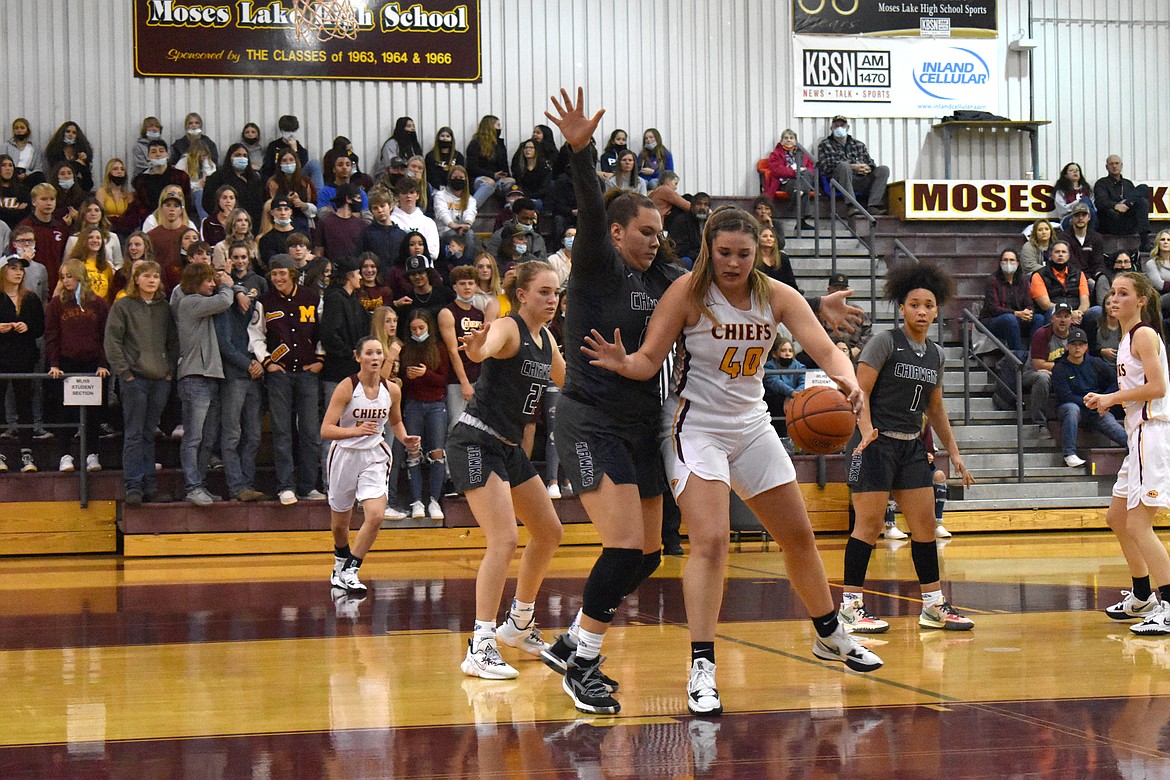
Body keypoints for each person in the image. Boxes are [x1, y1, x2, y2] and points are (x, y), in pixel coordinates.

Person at [582, 207, 882, 716]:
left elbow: (827, 350)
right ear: (708, 248)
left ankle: (830, 632)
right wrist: (622, 362)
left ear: (757, 253)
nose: (734, 262)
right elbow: (649, 359)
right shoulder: (689, 293)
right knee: (712, 542)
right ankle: (702, 665)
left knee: (798, 536)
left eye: (744, 254)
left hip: (751, 425)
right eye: (724, 253)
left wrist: (847, 380)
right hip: (694, 427)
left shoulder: (777, 295)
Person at [838, 261, 975, 638]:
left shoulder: (935, 354)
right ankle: (850, 608)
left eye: (928, 305)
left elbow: (935, 408)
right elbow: (859, 392)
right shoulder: (885, 341)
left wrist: (955, 452)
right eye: (914, 304)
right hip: (875, 443)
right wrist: (865, 433)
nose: (921, 310)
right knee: (867, 526)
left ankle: (933, 606)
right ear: (902, 308)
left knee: (926, 526)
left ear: (936, 309)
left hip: (911, 445)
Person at [452, 261, 566, 679]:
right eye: (544, 292)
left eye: (555, 292)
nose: (552, 299)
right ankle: (480, 645)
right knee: (504, 538)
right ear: (521, 295)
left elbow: (568, 382)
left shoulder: (547, 339)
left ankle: (518, 625)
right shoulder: (509, 328)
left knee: (550, 532)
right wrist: (477, 347)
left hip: (508, 447)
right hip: (475, 440)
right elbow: (485, 346)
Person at [1086, 271, 1170, 633]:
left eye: (1123, 293)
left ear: (1141, 300)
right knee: (1117, 518)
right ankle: (1141, 596)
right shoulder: (1124, 340)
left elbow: (1158, 387)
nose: (1114, 298)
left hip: (1152, 432)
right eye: (1112, 293)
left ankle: (1169, 605)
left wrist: (1111, 398)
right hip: (1137, 433)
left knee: (1138, 522)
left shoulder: (1144, 334)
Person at [324, 335, 421, 593]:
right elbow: (326, 430)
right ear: (358, 357)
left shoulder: (392, 390)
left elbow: (396, 422)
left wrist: (405, 438)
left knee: (376, 515)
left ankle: (352, 569)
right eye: (369, 353)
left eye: (379, 353)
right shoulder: (346, 387)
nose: (375, 357)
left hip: (375, 456)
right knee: (339, 525)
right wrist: (354, 432)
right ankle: (339, 562)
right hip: (344, 455)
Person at [248, 255, 326, 505]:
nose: (278, 278)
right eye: (274, 275)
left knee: (310, 432)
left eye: (283, 273)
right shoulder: (265, 302)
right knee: (282, 432)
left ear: (292, 274)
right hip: (279, 374)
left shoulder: (313, 298)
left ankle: (308, 486)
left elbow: (322, 331)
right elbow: (256, 334)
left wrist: (320, 360)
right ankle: (286, 486)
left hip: (307, 373)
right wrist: (267, 361)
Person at [104, 261, 178, 505]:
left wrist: (169, 373)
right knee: (134, 433)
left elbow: (172, 342)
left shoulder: (164, 308)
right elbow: (112, 341)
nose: (151, 280)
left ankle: (150, 485)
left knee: (149, 432)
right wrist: (125, 373)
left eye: (156, 276)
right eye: (146, 276)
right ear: (136, 279)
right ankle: (133, 485)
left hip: (160, 379)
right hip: (134, 379)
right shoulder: (123, 306)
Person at [173, 262, 235, 505]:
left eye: (214, 280)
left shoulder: (200, 304)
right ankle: (192, 486)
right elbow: (224, 301)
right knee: (194, 437)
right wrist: (228, 285)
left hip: (210, 376)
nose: (212, 284)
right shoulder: (189, 302)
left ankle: (200, 484)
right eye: (208, 280)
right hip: (194, 377)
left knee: (208, 438)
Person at [45, 259, 110, 473]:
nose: (65, 281)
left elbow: (105, 336)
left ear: (80, 276)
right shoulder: (56, 304)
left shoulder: (98, 304)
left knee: (94, 413)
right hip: (66, 363)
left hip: (93, 364)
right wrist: (54, 363)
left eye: (69, 276)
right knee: (66, 412)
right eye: (62, 277)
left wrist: (102, 363)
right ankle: (65, 455)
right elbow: (52, 335)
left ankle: (93, 454)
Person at [215, 246, 267, 502]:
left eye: (242, 257)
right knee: (233, 433)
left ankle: (247, 483)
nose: (238, 262)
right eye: (233, 258)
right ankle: (237, 486)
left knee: (254, 434)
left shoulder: (257, 293)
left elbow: (262, 333)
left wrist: (258, 363)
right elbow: (224, 345)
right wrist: (248, 364)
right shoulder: (223, 301)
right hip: (235, 374)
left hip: (255, 373)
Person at [320, 255, 372, 488]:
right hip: (338, 373)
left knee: (352, 429)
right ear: (349, 276)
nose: (361, 276)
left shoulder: (353, 300)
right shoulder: (335, 299)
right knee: (335, 429)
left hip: (353, 375)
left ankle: (352, 482)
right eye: (358, 272)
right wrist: (351, 355)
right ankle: (331, 481)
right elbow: (330, 335)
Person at [399, 308, 449, 520]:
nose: (418, 332)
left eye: (421, 328)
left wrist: (425, 373)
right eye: (413, 329)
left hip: (436, 405)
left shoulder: (439, 347)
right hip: (413, 405)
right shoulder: (406, 349)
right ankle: (417, 501)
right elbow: (400, 380)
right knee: (413, 453)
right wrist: (408, 376)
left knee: (437, 452)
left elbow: (443, 379)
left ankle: (435, 501)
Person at [1053, 326, 1127, 468]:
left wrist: (1104, 399)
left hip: (1096, 410)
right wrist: (1092, 402)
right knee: (1072, 408)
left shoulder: (1095, 363)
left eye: (1080, 344)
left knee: (1120, 433)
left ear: (1086, 346)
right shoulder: (1060, 367)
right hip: (1071, 408)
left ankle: (1137, 452)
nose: (1077, 348)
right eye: (1073, 344)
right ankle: (1069, 453)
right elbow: (1065, 395)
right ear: (1068, 346)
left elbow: (1116, 381)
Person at [0, 253, 45, 473]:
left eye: (21, 269)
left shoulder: (31, 298)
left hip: (25, 359)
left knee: (25, 405)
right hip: (1, 359)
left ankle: (27, 453)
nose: (18, 272)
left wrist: (27, 327)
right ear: (3, 272)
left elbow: (40, 328)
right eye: (13, 268)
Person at [438, 264, 489, 432]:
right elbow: (453, 351)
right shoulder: (448, 312)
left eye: (470, 283)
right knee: (457, 423)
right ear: (454, 287)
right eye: (462, 283)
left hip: (478, 376)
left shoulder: (479, 313)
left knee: (478, 424)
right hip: (457, 379)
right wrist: (464, 382)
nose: (467, 287)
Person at [370, 305, 409, 520]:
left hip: (392, 405)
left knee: (391, 455)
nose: (393, 324)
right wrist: (391, 356)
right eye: (388, 321)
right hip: (375, 408)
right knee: (379, 455)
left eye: (394, 320)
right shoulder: (375, 346)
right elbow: (379, 378)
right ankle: (378, 503)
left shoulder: (396, 343)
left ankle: (388, 501)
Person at [816, 116, 889, 214]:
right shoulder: (825, 145)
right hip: (839, 181)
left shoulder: (859, 144)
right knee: (844, 166)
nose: (839, 128)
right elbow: (827, 167)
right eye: (836, 126)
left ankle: (873, 206)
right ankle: (851, 205)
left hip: (861, 179)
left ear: (847, 127)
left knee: (883, 169)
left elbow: (870, 162)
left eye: (842, 125)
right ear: (831, 128)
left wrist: (868, 168)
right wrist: (853, 167)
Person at [1026, 302, 1076, 426]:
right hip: (1032, 374)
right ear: (1052, 318)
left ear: (1072, 319)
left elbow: (1083, 363)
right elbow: (1038, 364)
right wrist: (1066, 367)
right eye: (1059, 316)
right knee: (1043, 377)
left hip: (1061, 374)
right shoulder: (1042, 334)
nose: (1063, 320)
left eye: (1066, 316)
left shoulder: (1077, 335)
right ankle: (1039, 423)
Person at [979, 248, 1034, 352]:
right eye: (1005, 260)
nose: (1008, 263)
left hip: (1018, 319)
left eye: (1012, 260)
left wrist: (1028, 312)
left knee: (1039, 318)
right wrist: (1016, 313)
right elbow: (993, 308)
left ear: (1017, 263)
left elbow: (1029, 303)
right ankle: (1018, 356)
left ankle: (1033, 354)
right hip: (994, 320)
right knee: (1009, 319)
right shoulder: (992, 281)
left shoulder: (1023, 281)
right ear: (1000, 263)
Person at [1093, 155, 1152, 250]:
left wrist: (1125, 204)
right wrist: (1115, 206)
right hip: (1110, 222)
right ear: (1106, 167)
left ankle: (1144, 240)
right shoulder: (1101, 183)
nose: (1114, 166)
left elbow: (1136, 200)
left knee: (1143, 192)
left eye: (1117, 163)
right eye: (1111, 164)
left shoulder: (1128, 184)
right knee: (1110, 210)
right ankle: (1123, 205)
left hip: (1127, 223)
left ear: (1121, 165)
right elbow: (1100, 202)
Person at [202, 143, 266, 227]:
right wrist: (222, 216)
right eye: (237, 155)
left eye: (245, 155)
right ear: (230, 157)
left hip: (251, 223)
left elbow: (259, 202)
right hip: (226, 223)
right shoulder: (217, 177)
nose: (242, 158)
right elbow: (207, 201)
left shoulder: (255, 178)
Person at [765, 129, 816, 225]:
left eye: (791, 138)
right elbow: (777, 170)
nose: (789, 140)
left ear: (795, 141)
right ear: (781, 141)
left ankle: (798, 193)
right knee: (804, 188)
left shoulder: (803, 154)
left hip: (802, 179)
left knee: (805, 178)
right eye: (786, 138)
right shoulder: (775, 154)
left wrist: (803, 172)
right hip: (786, 181)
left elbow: (811, 169)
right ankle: (801, 222)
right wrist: (794, 172)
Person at [1030, 240, 1089, 324]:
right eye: (1057, 252)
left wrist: (1079, 313)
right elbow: (1045, 304)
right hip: (1054, 313)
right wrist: (1068, 313)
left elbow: (1085, 302)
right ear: (1050, 255)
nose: (1060, 254)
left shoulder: (1079, 274)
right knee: (1051, 312)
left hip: (1077, 314)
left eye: (1064, 252)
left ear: (1069, 256)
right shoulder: (1039, 275)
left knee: (1096, 311)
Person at [466, 115, 515, 207]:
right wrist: (492, 175)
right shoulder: (475, 144)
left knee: (511, 181)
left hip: (496, 179)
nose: (500, 128)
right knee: (489, 183)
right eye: (498, 125)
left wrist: (505, 175)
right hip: (478, 178)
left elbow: (504, 166)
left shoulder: (500, 145)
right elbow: (472, 167)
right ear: (490, 127)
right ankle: (470, 209)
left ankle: (509, 209)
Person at [389, 177, 440, 262]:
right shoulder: (391, 221)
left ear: (417, 195)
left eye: (412, 192)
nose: (408, 196)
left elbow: (434, 253)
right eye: (404, 193)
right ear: (397, 197)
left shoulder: (428, 222)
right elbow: (392, 252)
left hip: (425, 271)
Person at [265, 150, 316, 234]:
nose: (288, 163)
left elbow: (314, 208)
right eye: (284, 160)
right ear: (279, 164)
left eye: (291, 160)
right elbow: (268, 207)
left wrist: (302, 204)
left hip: (302, 220)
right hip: (279, 221)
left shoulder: (306, 182)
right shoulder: (273, 182)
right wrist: (286, 201)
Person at [763, 336, 805, 436]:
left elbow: (804, 381)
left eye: (790, 351)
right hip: (774, 402)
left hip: (795, 399)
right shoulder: (768, 367)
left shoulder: (799, 366)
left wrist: (794, 395)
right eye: (783, 350)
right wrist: (791, 393)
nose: (787, 354)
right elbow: (776, 383)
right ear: (774, 354)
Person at [315, 184, 366, 264]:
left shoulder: (362, 225)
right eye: (358, 198)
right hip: (334, 273)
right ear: (348, 199)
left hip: (355, 272)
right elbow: (319, 253)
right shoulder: (325, 223)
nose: (360, 202)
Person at [1056, 202, 1105, 280]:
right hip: (1071, 277)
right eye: (1077, 215)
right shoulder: (1063, 238)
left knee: (1103, 280)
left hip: (1093, 277)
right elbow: (1068, 264)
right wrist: (1087, 279)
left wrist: (1099, 276)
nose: (1080, 218)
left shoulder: (1096, 237)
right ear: (1072, 218)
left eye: (1084, 215)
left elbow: (1099, 263)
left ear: (1089, 217)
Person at [44, 121, 95, 194]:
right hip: (58, 188)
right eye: (68, 131)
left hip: (79, 190)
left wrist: (85, 162)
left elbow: (88, 184)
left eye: (74, 133)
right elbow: (58, 169)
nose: (70, 134)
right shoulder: (54, 151)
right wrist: (77, 164)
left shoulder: (83, 151)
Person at [4, 118, 46, 184]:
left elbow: (38, 168)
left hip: (28, 174)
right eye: (16, 128)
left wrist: (27, 174)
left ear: (27, 130)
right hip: (11, 173)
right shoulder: (6, 146)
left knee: (39, 176)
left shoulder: (35, 147)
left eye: (22, 128)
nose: (19, 130)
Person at [1052, 162, 1095, 226]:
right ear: (1065, 175)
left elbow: (1094, 206)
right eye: (1071, 170)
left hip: (1088, 217)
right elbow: (1062, 210)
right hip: (1069, 218)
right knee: (1084, 201)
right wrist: (1079, 204)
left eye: (1077, 170)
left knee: (1089, 207)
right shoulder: (1061, 191)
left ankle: (1090, 233)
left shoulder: (1087, 189)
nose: (1075, 172)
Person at [758, 226, 799, 290]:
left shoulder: (783, 257)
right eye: (765, 236)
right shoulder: (753, 258)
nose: (769, 239)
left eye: (771, 236)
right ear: (758, 239)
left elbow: (791, 282)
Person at [95, 160, 132, 229]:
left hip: (123, 229)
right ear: (109, 173)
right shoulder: (102, 192)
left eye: (122, 169)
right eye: (115, 169)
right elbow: (99, 214)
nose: (119, 172)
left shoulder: (128, 195)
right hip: (107, 228)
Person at [0, 155, 31, 228]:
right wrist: (17, 210)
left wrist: (3, 211)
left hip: (17, 229)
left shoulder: (23, 190)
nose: (8, 168)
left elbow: (26, 214)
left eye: (10, 165)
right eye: (3, 165)